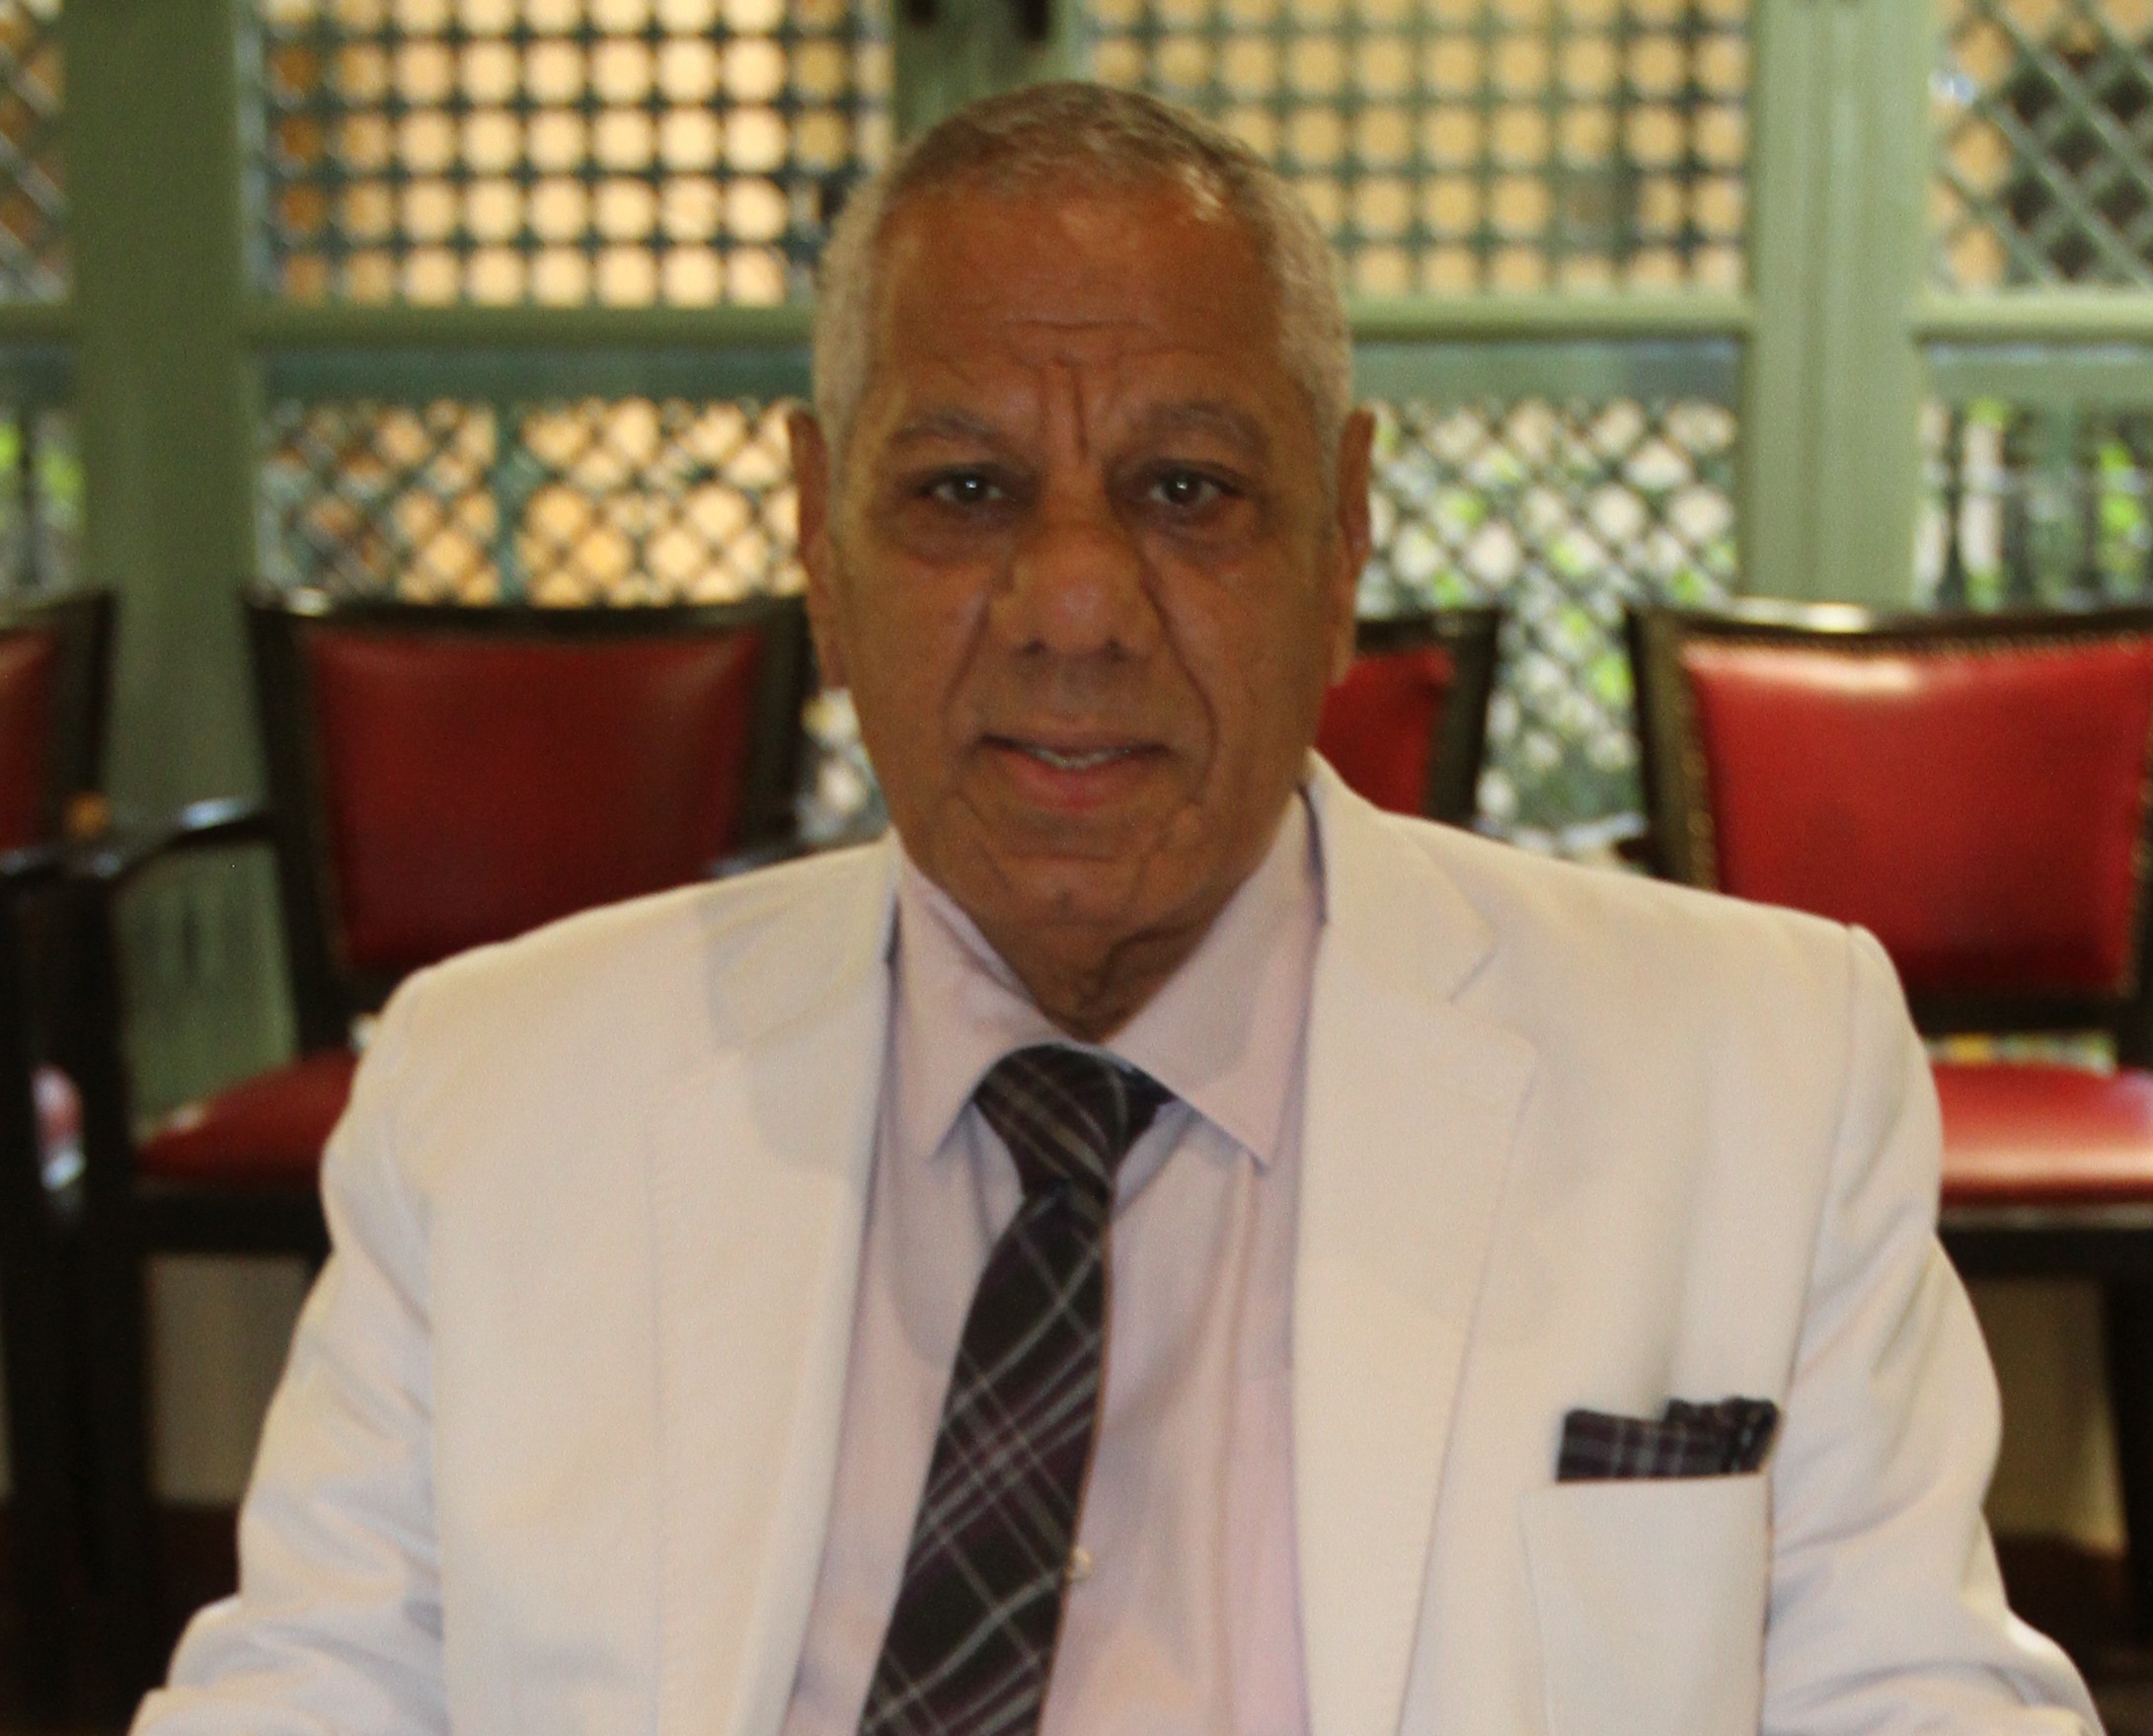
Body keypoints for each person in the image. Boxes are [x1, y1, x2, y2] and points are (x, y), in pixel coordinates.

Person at [134, 82, 2098, 1736]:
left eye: (1183, 491)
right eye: (963, 493)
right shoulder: (494, 1097)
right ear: (817, 538)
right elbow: (305, 1691)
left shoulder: (1751, 1075)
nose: (1072, 605)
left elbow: (1916, 1700)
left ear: (1343, 533)